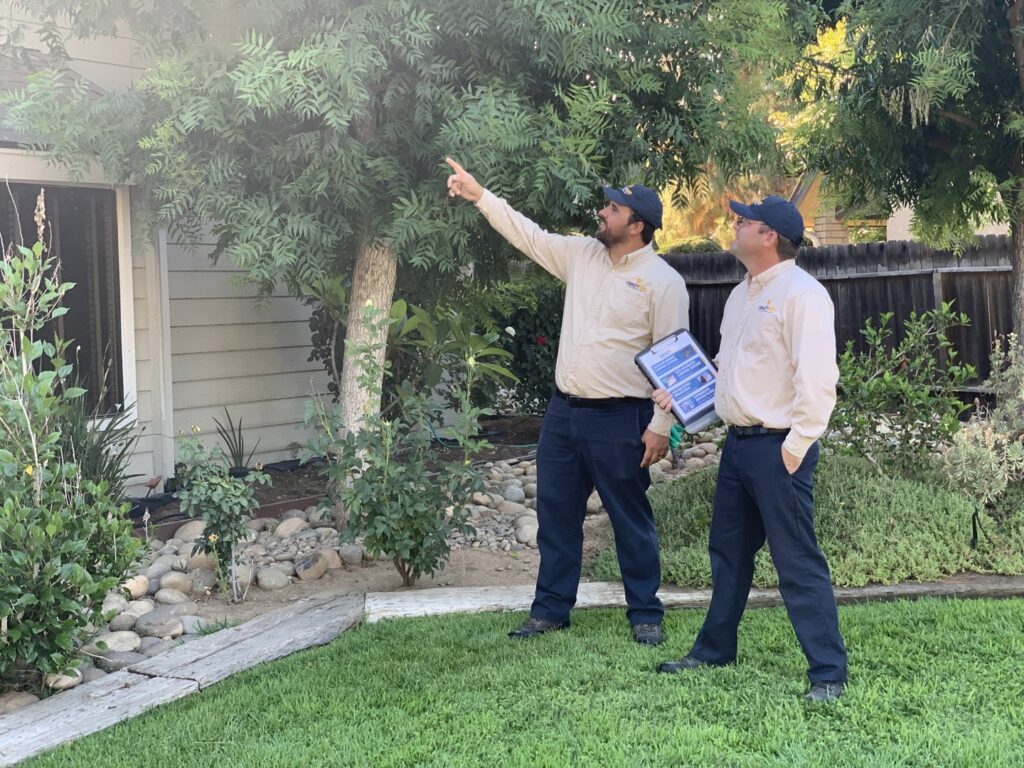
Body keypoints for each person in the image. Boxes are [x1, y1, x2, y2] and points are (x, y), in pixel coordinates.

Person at [445, 157, 689, 646]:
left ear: (637, 225)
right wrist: (480, 195)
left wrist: (661, 426)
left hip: (622, 418)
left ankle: (646, 613)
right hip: (563, 414)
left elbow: (675, 359)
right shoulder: (581, 254)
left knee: (629, 519)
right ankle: (551, 609)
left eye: (613, 209)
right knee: (557, 515)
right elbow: (528, 235)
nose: (603, 213)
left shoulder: (664, 282)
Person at [653, 195, 848, 702]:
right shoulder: (741, 295)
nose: (734, 225)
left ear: (770, 237)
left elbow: (819, 380)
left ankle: (828, 673)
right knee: (728, 553)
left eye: (744, 221)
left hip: (778, 449)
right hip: (738, 448)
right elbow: (730, 372)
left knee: (796, 560)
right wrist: (684, 395)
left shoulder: (802, 295)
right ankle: (715, 650)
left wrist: (797, 446)